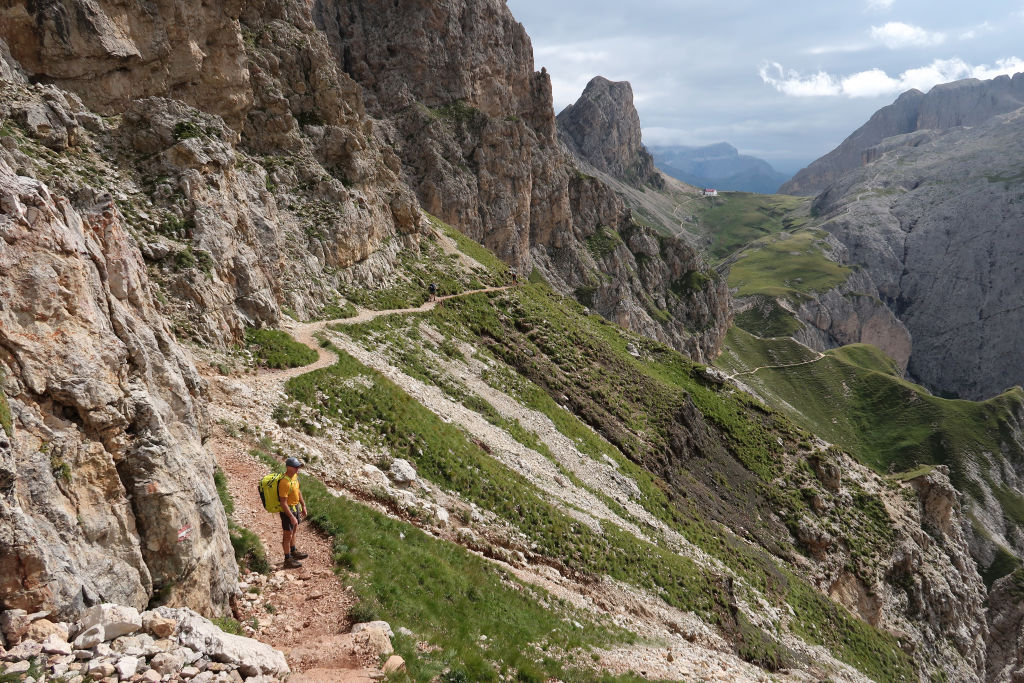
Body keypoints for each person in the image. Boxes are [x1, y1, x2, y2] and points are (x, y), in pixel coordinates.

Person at [278, 457, 308, 568]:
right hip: (288, 510)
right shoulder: (284, 483)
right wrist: (291, 516)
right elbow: (283, 503)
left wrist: (303, 505)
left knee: (294, 530)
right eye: (296, 467)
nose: (298, 468)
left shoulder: (294, 477)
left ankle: (293, 551)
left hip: (295, 507)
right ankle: (287, 559)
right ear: (289, 467)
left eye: (298, 466)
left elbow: (298, 492)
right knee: (287, 535)